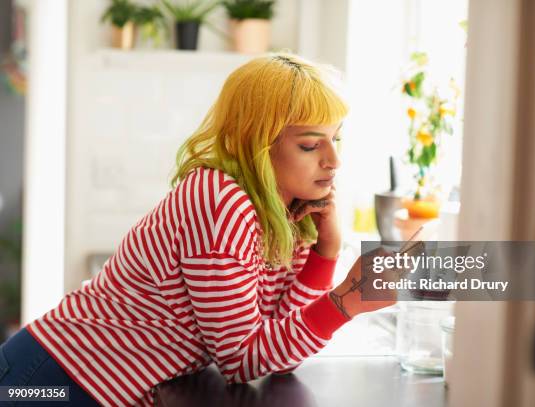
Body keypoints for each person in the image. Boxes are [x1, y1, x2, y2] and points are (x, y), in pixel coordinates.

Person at [0, 53, 395, 406]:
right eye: (311, 145)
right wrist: (344, 302)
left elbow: (277, 349)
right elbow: (242, 360)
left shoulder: (284, 212)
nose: (334, 160)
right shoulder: (220, 202)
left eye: (336, 138)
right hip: (52, 380)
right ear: (257, 143)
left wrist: (325, 252)